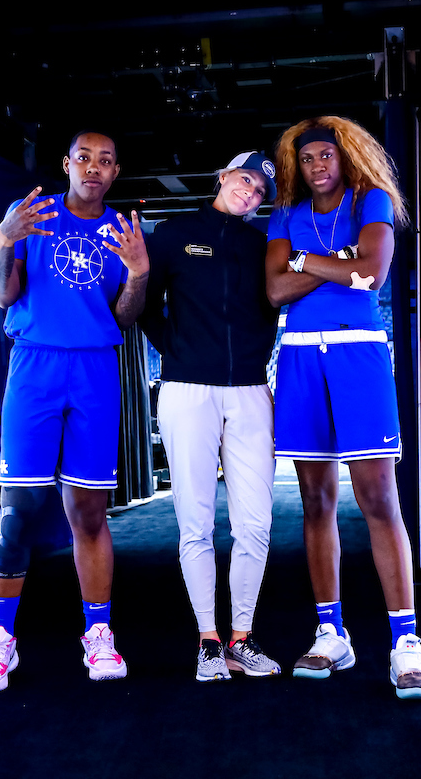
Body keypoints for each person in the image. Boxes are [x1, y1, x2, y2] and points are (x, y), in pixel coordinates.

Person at [0, 131, 149, 692]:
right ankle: (0, 640)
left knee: (89, 513)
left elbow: (125, 316)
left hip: (95, 369)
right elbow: (4, 294)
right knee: (18, 511)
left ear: (115, 172)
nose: (93, 167)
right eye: (84, 158)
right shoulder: (34, 213)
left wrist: (139, 273)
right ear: (67, 163)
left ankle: (98, 634)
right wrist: (3, 240)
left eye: (105, 160)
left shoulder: (122, 231)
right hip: (36, 364)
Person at [264, 116, 421, 700]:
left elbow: (371, 273)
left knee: (378, 497)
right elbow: (275, 291)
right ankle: (331, 633)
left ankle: (406, 644)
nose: (317, 165)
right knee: (315, 501)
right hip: (299, 358)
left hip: (358, 354)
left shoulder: (372, 200)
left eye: (326, 155)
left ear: (346, 157)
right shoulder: (285, 214)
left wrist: (303, 261)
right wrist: (334, 259)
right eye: (307, 157)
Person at [139, 151, 282, 681]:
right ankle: (208, 640)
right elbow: (145, 303)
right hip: (186, 391)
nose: (251, 192)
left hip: (249, 391)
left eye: (260, 191)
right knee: (195, 524)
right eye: (245, 179)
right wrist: (178, 351)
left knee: (256, 524)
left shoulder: (263, 244)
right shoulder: (175, 233)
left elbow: (275, 301)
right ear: (223, 176)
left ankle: (242, 637)